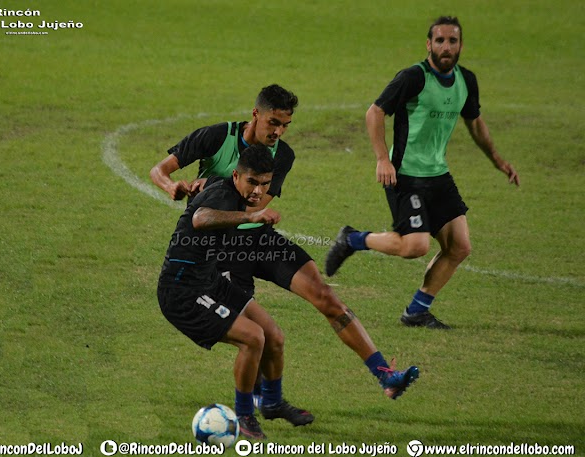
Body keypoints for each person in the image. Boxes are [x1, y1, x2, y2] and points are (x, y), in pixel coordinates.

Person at [151, 85, 419, 416]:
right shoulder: (216, 137)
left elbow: (256, 204)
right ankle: (266, 400)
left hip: (257, 237)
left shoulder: (283, 156)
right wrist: (172, 185)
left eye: (285, 125)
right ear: (256, 115)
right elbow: (159, 170)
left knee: (325, 296)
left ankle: (385, 375)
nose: (278, 132)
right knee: (256, 334)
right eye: (273, 122)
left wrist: (211, 192)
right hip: (218, 247)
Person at [325, 16, 520, 330]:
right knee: (415, 247)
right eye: (440, 41)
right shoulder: (413, 77)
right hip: (405, 175)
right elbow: (375, 112)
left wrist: (498, 160)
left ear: (460, 46)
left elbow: (475, 122)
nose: (446, 47)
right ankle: (353, 239)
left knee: (459, 247)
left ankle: (416, 312)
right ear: (429, 45)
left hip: (438, 175)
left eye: (452, 41)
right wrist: (381, 159)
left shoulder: (466, 81)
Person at [157, 146, 310, 440]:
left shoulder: (230, 192)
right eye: (252, 182)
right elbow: (200, 219)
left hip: (208, 280)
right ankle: (243, 416)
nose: (258, 190)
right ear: (237, 175)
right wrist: (251, 215)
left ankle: (273, 402)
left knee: (273, 335)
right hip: (182, 291)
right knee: (253, 338)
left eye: (265, 184)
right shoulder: (224, 196)